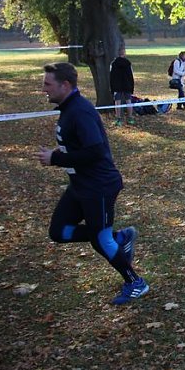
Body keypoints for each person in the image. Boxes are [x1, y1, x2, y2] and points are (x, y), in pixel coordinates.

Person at [35, 62, 148, 305]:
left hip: (99, 187)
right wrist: (63, 151)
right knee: (59, 231)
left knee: (101, 240)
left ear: (65, 85)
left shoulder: (80, 111)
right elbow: (82, 146)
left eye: (47, 84)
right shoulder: (68, 108)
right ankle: (119, 238)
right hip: (80, 186)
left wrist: (56, 158)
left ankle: (135, 282)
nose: (43, 89)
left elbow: (95, 151)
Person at [109, 45, 135, 126]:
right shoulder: (128, 63)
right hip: (127, 85)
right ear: (124, 53)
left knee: (117, 102)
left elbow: (111, 76)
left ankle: (118, 119)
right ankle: (130, 118)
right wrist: (131, 86)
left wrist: (112, 87)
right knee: (128, 101)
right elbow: (131, 75)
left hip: (117, 86)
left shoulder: (113, 63)